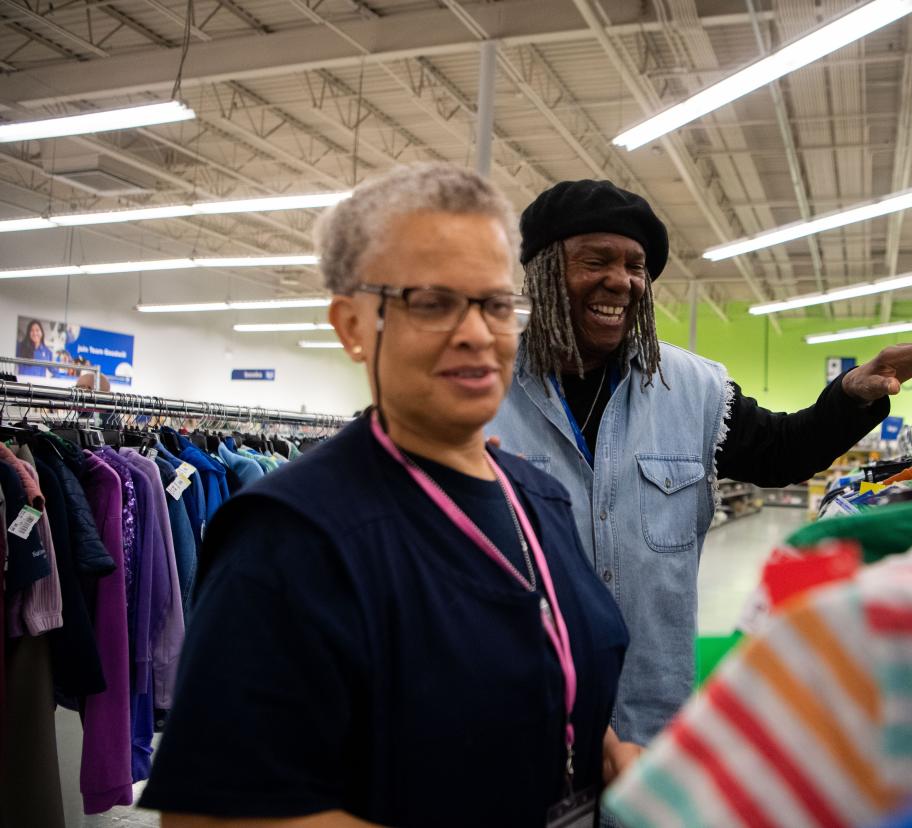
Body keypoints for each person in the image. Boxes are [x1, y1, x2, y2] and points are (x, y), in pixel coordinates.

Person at [140, 164, 630, 827]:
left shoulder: (539, 499)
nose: (477, 333)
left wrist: (600, 752)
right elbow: (214, 816)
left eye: (494, 303)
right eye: (431, 302)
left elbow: (550, 672)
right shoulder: (292, 538)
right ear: (351, 325)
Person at [488, 179, 912, 748]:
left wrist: (853, 395)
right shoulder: (478, 386)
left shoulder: (693, 389)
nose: (620, 281)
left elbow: (780, 452)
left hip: (652, 716)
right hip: (522, 722)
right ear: (544, 271)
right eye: (595, 261)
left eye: (636, 266)